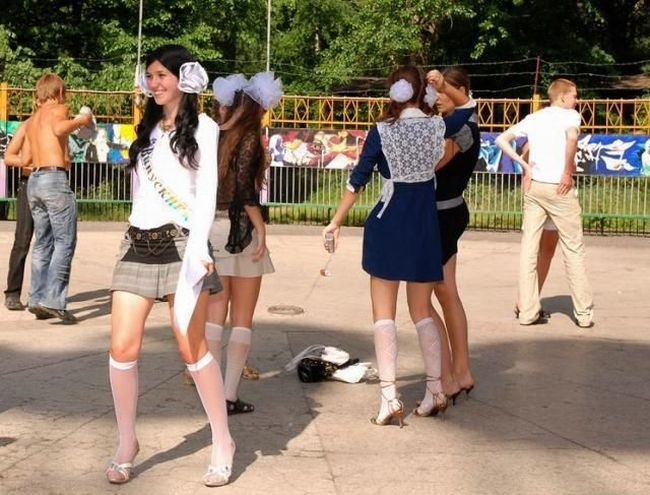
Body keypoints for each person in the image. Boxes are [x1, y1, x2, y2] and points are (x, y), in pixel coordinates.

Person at [106, 45, 235, 487]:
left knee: (191, 347)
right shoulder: (146, 130)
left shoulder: (204, 127)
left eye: (162, 74)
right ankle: (127, 443)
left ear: (183, 78)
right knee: (122, 348)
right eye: (150, 75)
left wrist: (200, 248)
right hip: (137, 242)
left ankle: (222, 440)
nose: (154, 82)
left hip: (182, 244)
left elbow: (208, 192)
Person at [322, 66, 474, 426]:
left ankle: (389, 397)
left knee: (383, 314)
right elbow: (469, 109)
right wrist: (443, 86)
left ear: (396, 92)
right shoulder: (439, 126)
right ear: (424, 92)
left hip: (388, 224)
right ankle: (436, 390)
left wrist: (336, 221)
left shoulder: (382, 130)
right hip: (425, 228)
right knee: (421, 311)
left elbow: (358, 179)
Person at [205, 72, 281, 415]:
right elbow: (244, 190)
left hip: (212, 229)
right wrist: (261, 228)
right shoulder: (249, 137)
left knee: (214, 315)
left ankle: (209, 392)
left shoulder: (213, 136)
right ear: (256, 109)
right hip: (241, 231)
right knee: (241, 319)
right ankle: (228, 395)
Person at [496, 78, 594, 328]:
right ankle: (583, 314)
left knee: (529, 249)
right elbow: (571, 139)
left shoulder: (534, 118)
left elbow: (501, 140)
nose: (577, 100)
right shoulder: (570, 116)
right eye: (574, 95)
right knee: (573, 249)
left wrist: (524, 165)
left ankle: (527, 311)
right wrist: (567, 172)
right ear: (562, 97)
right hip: (559, 188)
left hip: (535, 187)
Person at [424, 67, 480, 402]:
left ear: (460, 91)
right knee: (445, 292)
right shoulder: (450, 123)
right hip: (443, 213)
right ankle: (460, 371)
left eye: (444, 91)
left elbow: (437, 162)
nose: (438, 98)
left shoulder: (463, 126)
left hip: (444, 215)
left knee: (423, 298)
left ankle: (450, 373)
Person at [22, 74, 94, 324]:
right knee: (65, 241)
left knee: (43, 242)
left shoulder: (32, 120)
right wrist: (82, 120)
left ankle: (36, 298)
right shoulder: (59, 109)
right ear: (59, 91)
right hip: (54, 180)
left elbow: (25, 158)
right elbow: (59, 128)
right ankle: (53, 301)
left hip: (34, 180)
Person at [3, 120, 34, 310]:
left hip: (52, 184)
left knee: (51, 243)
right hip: (29, 182)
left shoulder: (57, 123)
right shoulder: (27, 126)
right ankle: (12, 293)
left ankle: (43, 296)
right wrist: (29, 162)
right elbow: (9, 157)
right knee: (22, 240)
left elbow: (67, 160)